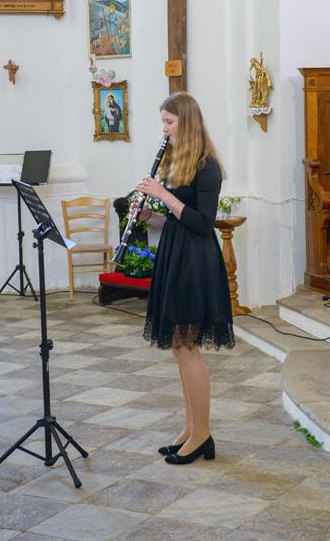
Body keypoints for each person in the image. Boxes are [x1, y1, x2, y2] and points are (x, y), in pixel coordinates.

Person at [135, 92, 234, 465]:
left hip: (195, 262)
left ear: (187, 122)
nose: (164, 129)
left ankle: (202, 433)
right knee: (179, 348)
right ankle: (191, 429)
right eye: (163, 121)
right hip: (176, 255)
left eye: (169, 122)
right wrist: (147, 216)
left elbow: (202, 223)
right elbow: (175, 222)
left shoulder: (207, 167)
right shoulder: (178, 162)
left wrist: (162, 194)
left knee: (187, 348)